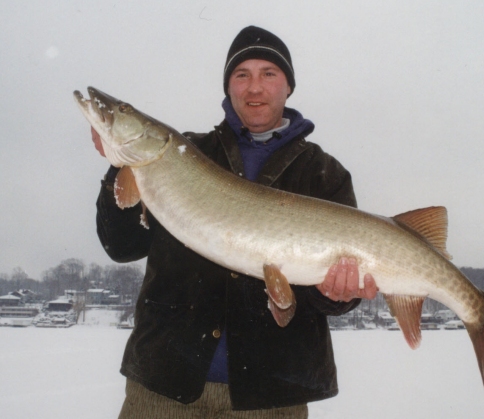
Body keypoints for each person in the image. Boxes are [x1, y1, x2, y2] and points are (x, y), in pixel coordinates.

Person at [93, 26, 378, 418]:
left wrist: (335, 291)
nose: (254, 87)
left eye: (268, 74)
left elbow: (327, 301)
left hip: (272, 396)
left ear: (288, 86)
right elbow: (122, 246)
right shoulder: (183, 155)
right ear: (229, 87)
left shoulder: (324, 175)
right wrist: (118, 167)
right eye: (241, 74)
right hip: (163, 385)